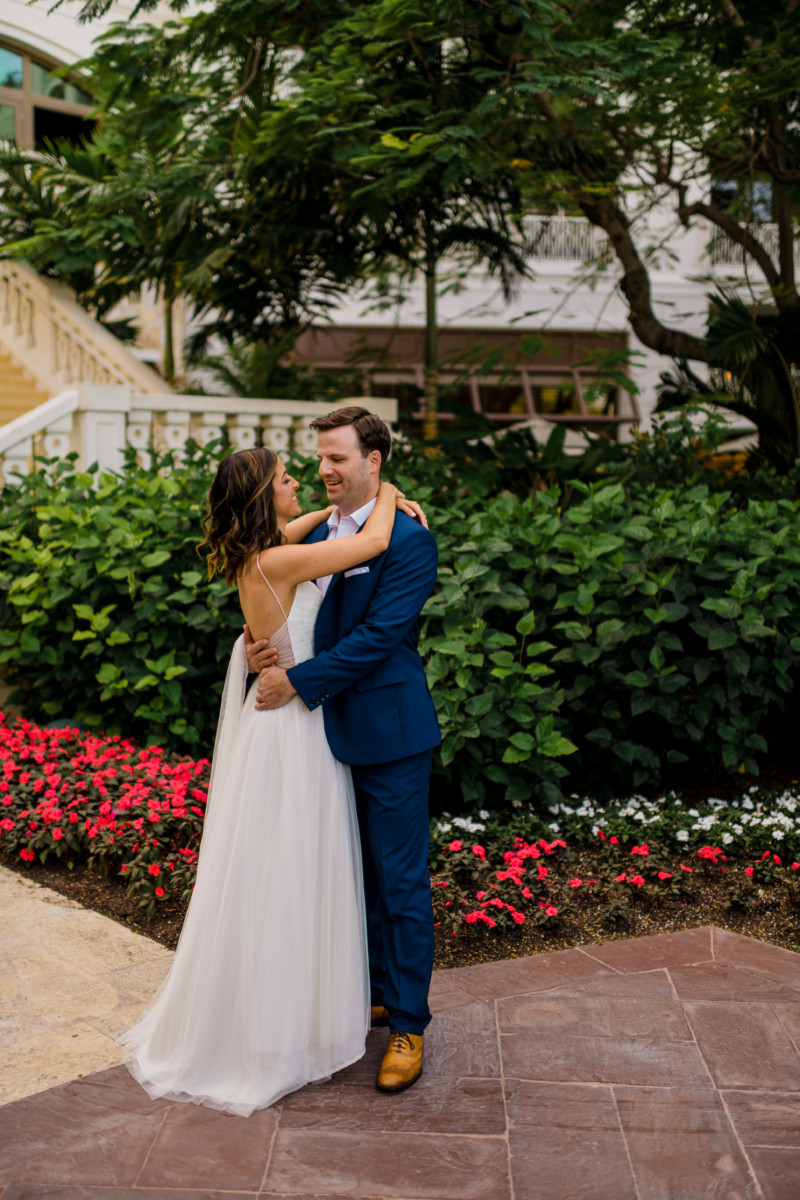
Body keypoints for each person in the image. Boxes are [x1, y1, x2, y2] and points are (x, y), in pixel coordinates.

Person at [120, 447, 416, 1117]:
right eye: (285, 478)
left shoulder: (258, 552)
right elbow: (371, 539)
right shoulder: (281, 559)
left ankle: (283, 1013)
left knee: (270, 872)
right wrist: (389, 489)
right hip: (296, 733)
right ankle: (284, 1031)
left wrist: (333, 506)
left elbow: (312, 523)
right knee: (293, 870)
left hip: (277, 724)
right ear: (262, 498)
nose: (297, 484)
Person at [245, 406, 441, 1095]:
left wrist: (293, 683)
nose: (325, 471)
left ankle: (409, 1026)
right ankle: (378, 992)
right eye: (320, 459)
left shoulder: (408, 541)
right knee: (351, 876)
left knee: (400, 880)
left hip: (388, 733)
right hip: (319, 743)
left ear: (374, 461)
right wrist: (258, 650)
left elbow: (379, 637)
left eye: (338, 459)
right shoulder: (322, 533)